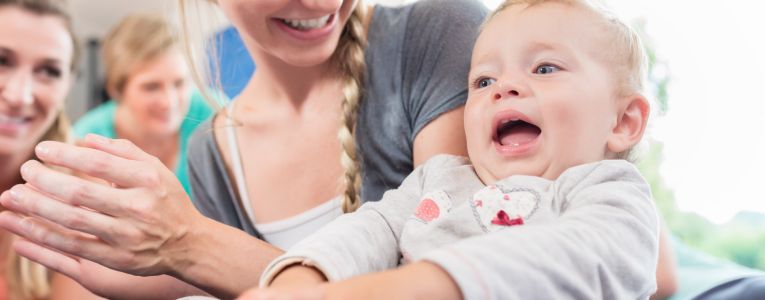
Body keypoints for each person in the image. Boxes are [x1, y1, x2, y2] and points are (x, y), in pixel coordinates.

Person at [0, 0, 488, 298]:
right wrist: (184, 273)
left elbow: (471, 279)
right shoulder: (212, 152)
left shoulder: (436, 37)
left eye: (47, 70)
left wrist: (191, 251)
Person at [242, 0, 657, 298]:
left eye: (545, 68)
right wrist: (301, 278)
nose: (504, 88)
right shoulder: (439, 180)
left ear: (623, 122)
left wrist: (407, 287)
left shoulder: (609, 194)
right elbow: (370, 230)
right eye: (483, 81)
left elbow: (582, 258)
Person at [0, 0, 104, 298]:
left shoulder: (83, 194)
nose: (20, 95)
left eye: (49, 71)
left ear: (68, 85)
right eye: (1, 60)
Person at [73, 13, 213, 195]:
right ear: (116, 90)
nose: (168, 102)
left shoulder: (215, 114)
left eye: (179, 83)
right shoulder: (89, 141)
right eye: (151, 87)